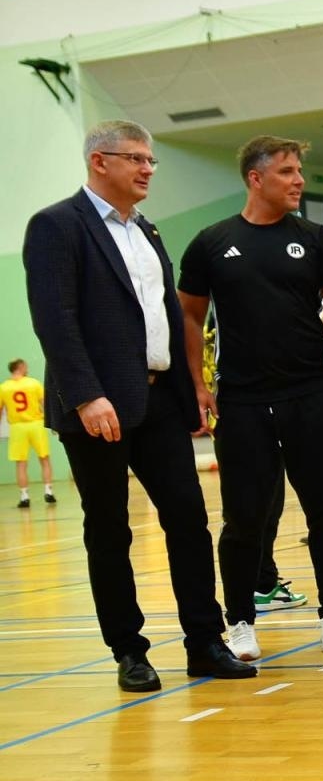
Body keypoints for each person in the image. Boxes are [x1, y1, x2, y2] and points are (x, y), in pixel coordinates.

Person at [23, 120, 253, 690]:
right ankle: (129, 650)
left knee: (189, 521)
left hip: (161, 403)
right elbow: (55, 319)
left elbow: (167, 318)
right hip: (96, 407)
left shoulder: (145, 230)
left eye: (151, 160)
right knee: (110, 530)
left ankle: (204, 641)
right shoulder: (57, 225)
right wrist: (86, 395)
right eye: (138, 159)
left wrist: (193, 386)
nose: (149, 169)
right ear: (100, 162)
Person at [179, 135, 323, 661]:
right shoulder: (211, 243)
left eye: (299, 170)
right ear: (255, 178)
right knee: (244, 519)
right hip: (240, 404)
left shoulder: (315, 239)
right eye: (287, 171)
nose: (299, 180)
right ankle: (240, 621)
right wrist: (196, 383)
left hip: (310, 395)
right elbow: (189, 315)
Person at [3, 359, 55, 508]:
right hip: (36, 424)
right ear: (20, 367)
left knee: (21, 464)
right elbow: (44, 404)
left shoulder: (4, 387)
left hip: (17, 427)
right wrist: (52, 424)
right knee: (44, 459)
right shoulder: (33, 383)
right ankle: (48, 491)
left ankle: (24, 496)